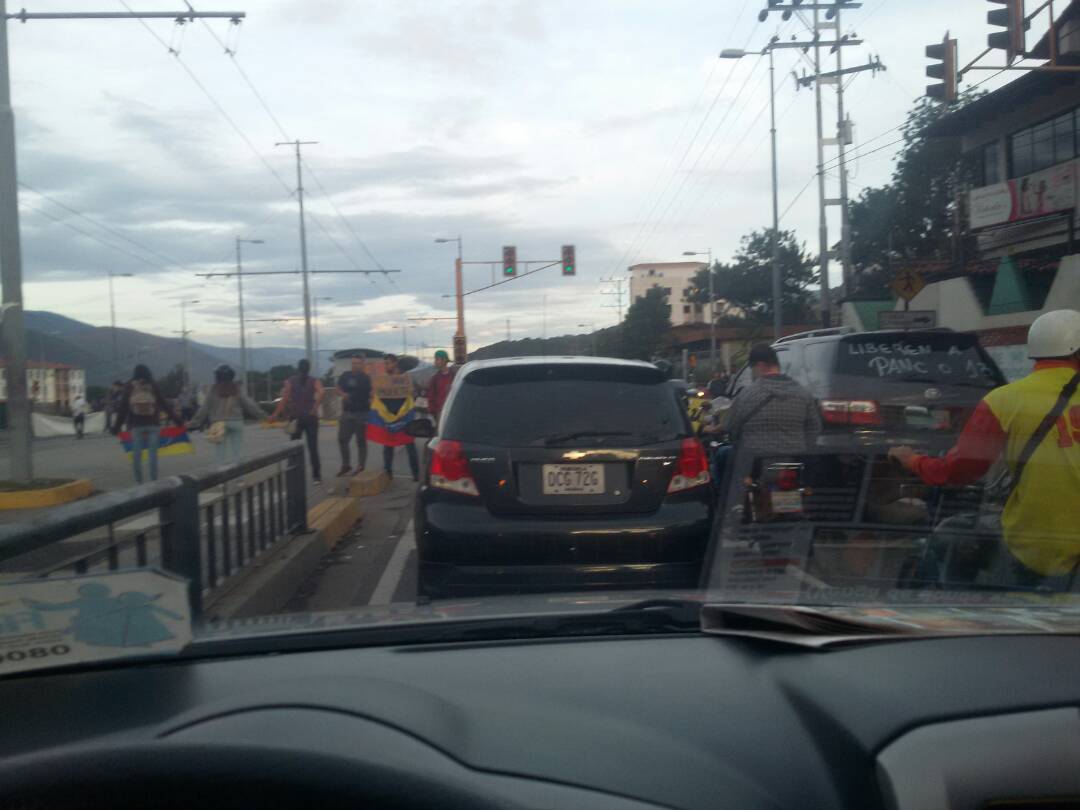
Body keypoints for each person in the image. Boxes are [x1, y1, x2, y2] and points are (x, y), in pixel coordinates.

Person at [889, 309, 1080, 589]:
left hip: (1035, 548)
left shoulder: (1004, 401)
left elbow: (959, 470)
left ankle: (957, 615)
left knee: (951, 535)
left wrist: (912, 460)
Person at [717, 343, 821, 490]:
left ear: (760, 366)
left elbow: (730, 426)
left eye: (752, 369)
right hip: (794, 460)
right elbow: (814, 428)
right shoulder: (803, 393)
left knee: (722, 454)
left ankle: (726, 505)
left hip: (755, 463)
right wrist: (802, 448)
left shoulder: (747, 395)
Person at [111, 364, 183, 484]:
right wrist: (178, 421)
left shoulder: (129, 385)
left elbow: (123, 408)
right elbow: (164, 404)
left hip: (135, 425)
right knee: (152, 455)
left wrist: (116, 428)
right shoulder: (153, 385)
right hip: (153, 424)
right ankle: (154, 482)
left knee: (137, 456)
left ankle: (140, 484)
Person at [189, 364, 268, 464]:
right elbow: (249, 404)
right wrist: (264, 416)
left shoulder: (213, 389)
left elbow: (204, 408)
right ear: (232, 376)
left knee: (220, 454)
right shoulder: (237, 388)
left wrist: (193, 423)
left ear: (217, 376)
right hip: (236, 422)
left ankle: (223, 477)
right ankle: (239, 478)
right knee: (237, 452)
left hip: (218, 424)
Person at [271, 358, 325, 485]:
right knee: (313, 448)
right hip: (311, 418)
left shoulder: (291, 381)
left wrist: (275, 414)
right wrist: (315, 408)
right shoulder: (313, 381)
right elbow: (322, 392)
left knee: (294, 447)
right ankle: (316, 477)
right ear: (309, 368)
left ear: (298, 368)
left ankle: (293, 476)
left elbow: (284, 400)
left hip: (296, 417)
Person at [371, 353, 419, 481]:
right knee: (388, 446)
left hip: (405, 417)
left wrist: (411, 392)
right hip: (389, 417)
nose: (386, 366)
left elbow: (415, 393)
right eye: (384, 363)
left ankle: (416, 474)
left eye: (388, 363)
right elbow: (378, 397)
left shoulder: (406, 378)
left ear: (395, 364)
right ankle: (388, 473)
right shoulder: (382, 381)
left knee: (409, 445)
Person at [336, 355, 372, 476]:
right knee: (342, 439)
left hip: (362, 413)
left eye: (358, 363)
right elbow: (338, 388)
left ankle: (361, 465)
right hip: (347, 412)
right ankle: (346, 464)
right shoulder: (345, 375)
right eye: (353, 363)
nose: (355, 365)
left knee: (361, 441)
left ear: (362, 364)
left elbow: (373, 392)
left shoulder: (367, 378)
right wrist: (343, 394)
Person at [426, 349, 457, 425]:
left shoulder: (455, 376)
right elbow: (431, 396)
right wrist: (432, 411)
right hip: (440, 412)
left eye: (437, 359)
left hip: (454, 411)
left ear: (444, 360)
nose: (435, 362)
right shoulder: (435, 378)